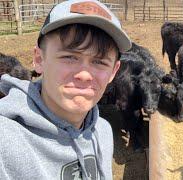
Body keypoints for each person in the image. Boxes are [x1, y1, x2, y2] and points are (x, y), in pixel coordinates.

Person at [0, 0, 131, 179]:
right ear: (39, 59)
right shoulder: (5, 141)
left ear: (113, 72)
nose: (84, 75)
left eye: (99, 61)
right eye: (69, 56)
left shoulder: (102, 131)